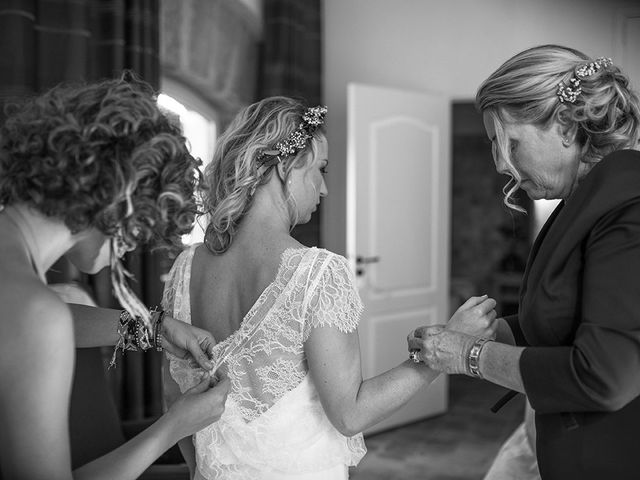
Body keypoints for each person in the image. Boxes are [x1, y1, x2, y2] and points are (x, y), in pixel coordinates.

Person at [161, 96, 497, 479]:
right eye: (320, 169)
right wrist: (442, 350)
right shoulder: (317, 274)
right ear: (286, 167)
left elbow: (174, 399)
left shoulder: (186, 268)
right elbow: (351, 414)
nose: (323, 189)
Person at [407, 44, 640, 480]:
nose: (501, 165)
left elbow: (603, 376)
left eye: (510, 142)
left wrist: (471, 355)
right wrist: (494, 331)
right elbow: (567, 313)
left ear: (567, 126)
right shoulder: (581, 202)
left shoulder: (629, 205)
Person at [0, 73, 230, 480]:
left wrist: (153, 330)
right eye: (143, 224)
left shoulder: (15, 275)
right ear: (119, 198)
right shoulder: (33, 312)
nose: (132, 246)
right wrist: (173, 426)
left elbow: (41, 324)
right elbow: (40, 323)